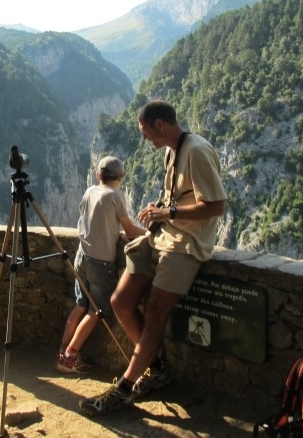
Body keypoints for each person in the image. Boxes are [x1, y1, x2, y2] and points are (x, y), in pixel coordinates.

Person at [79, 100, 227, 416]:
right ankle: (156, 366)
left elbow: (216, 206)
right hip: (161, 237)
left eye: (145, 130)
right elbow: (178, 197)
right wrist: (159, 207)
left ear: (159, 125)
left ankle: (124, 388)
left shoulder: (197, 151)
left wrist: (169, 211)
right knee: (121, 301)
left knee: (157, 310)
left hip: (185, 245)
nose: (144, 138)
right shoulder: (171, 152)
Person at [55, 156, 147, 374]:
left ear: (98, 175)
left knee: (81, 305)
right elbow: (131, 229)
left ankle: (61, 354)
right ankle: (71, 357)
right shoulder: (115, 196)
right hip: (100, 261)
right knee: (97, 311)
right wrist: (153, 234)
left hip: (81, 256)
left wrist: (115, 236)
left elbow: (95, 221)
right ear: (121, 177)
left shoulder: (89, 191)